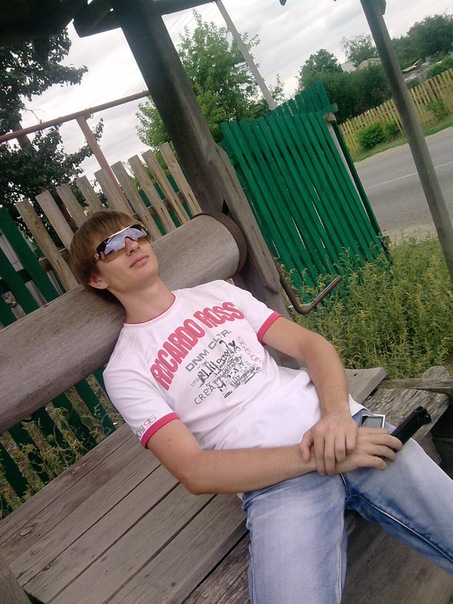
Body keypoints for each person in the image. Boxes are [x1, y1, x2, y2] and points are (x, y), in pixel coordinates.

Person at [70, 209, 453, 603]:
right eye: (111, 247)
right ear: (97, 279)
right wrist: (316, 456)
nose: (131, 245)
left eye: (136, 232)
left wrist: (338, 416)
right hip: (277, 483)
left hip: (346, 429)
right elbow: (194, 471)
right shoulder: (126, 369)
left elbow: (311, 345)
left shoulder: (218, 294)